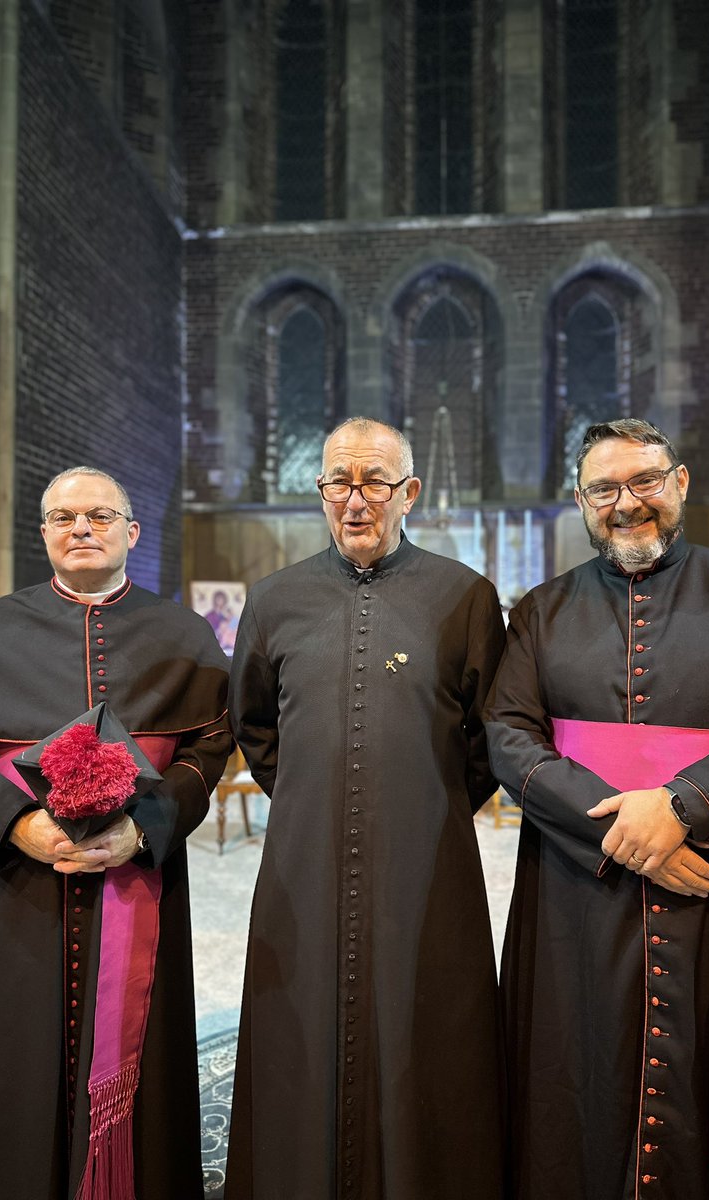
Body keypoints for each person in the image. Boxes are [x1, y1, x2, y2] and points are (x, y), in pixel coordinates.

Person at [485, 418, 709, 1200]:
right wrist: (632, 832)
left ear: (680, 484)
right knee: (580, 1079)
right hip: (582, 881)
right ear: (580, 500)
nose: (627, 503)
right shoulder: (540, 611)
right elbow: (507, 738)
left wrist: (681, 807)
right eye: (604, 489)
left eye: (644, 482)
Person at [0, 466, 231, 1200]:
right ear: (43, 535)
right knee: (11, 1064)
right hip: (14, 889)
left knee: (142, 1075)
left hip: (139, 880)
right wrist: (13, 824)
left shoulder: (182, 637)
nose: (80, 529)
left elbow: (207, 750)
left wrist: (143, 830)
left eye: (97, 515)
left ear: (132, 531)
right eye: (63, 518)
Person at [226, 417, 508, 1200]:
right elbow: (253, 723)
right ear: (320, 493)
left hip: (427, 855)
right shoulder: (274, 599)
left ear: (408, 492)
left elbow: (493, 733)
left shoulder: (466, 596)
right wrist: (318, 796)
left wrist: (427, 800)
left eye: (373, 482)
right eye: (337, 483)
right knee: (300, 1027)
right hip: (303, 861)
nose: (354, 501)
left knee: (429, 1024)